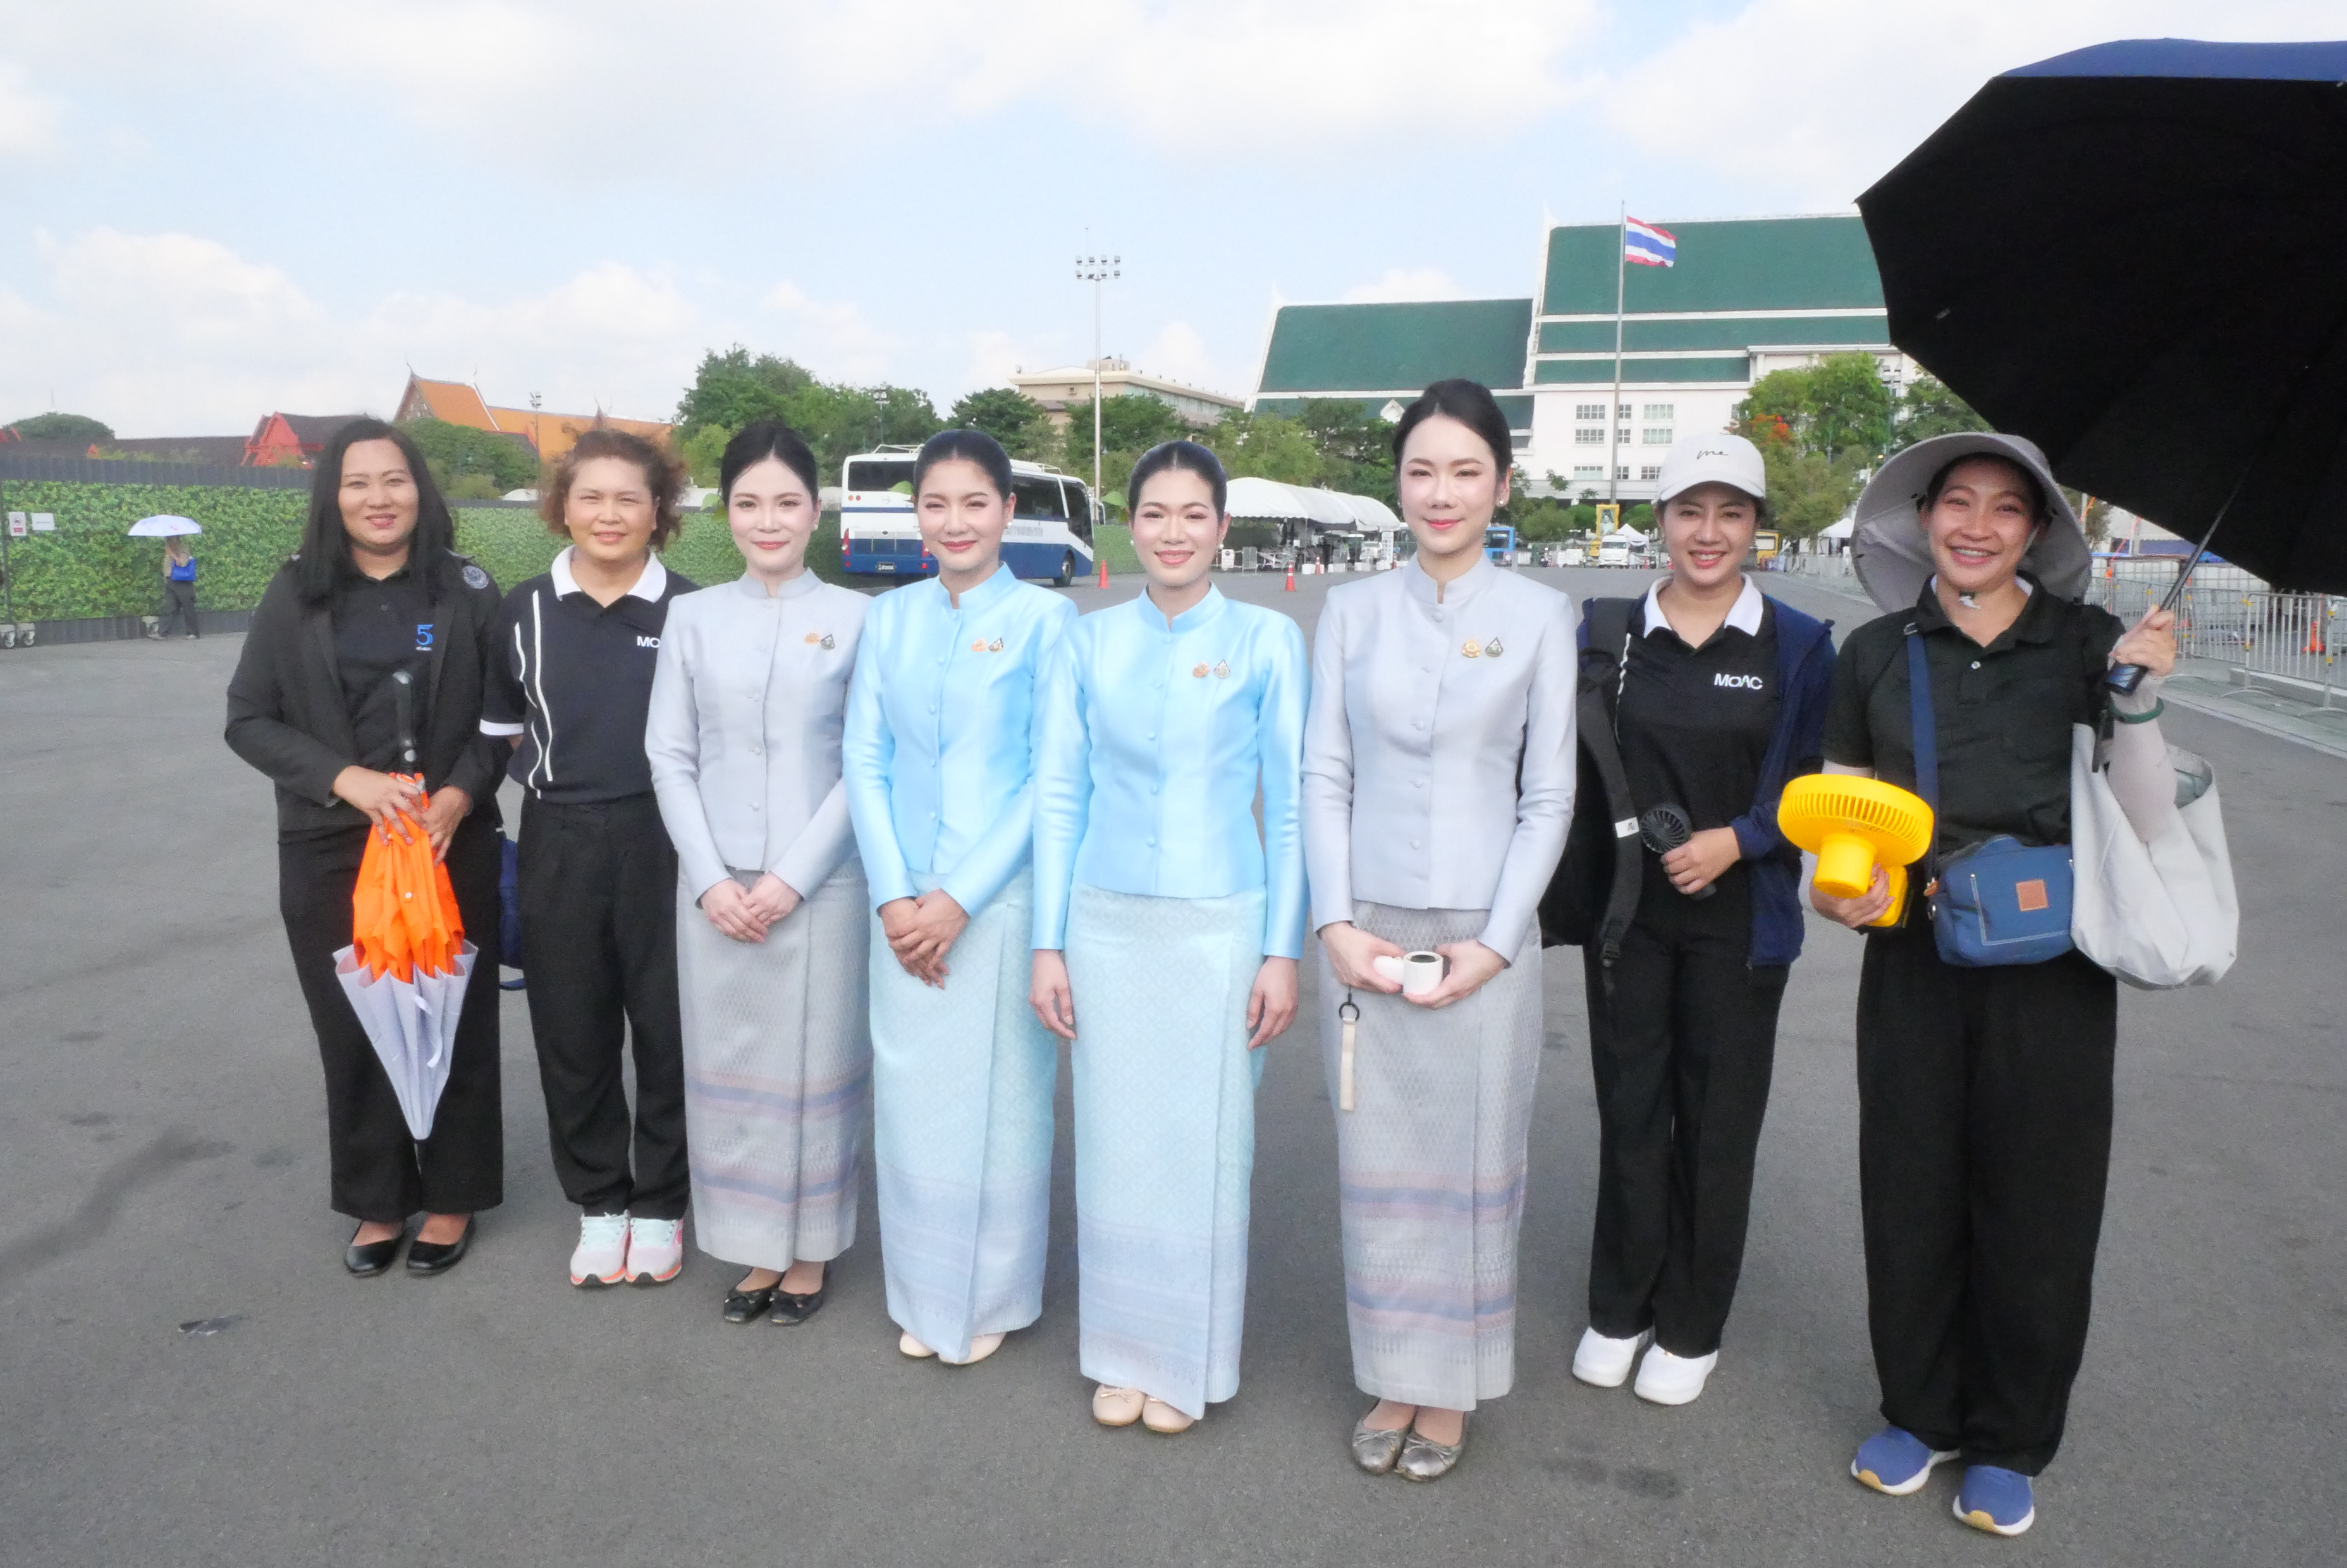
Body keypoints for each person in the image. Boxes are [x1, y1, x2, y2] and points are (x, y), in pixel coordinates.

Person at [1813, 432, 2179, 1538]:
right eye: (1955, 504)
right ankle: (1917, 1415)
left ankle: (2012, 1437)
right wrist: (1841, 893)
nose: (1976, 527)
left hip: (2055, 969)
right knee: (1909, 1189)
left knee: (2040, 1207)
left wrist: (2143, 703)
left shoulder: (2088, 642)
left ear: (2038, 531)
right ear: (1921, 518)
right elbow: (1839, 809)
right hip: (1912, 959)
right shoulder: (1874, 652)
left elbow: (2146, 818)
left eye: (2005, 510)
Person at [1302, 379, 1577, 1480]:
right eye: (1421, 470)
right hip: (1364, 934)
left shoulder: (1539, 616)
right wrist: (1330, 920)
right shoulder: (1352, 612)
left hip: (1481, 938)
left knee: (1471, 1169)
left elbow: (1546, 797)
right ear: (1398, 484)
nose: (1441, 492)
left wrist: (1498, 940)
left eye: (1466, 471)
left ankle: (1452, 1387)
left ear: (1500, 485)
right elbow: (1324, 773)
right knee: (1377, 1166)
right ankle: (1394, 1373)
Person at [1029, 440, 1308, 1435]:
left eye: (1195, 514)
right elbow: (1061, 795)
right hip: (1102, 922)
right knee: (1113, 1141)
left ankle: (1186, 1357)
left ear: (1223, 527)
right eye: (1155, 513)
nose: (1175, 532)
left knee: (1205, 1143)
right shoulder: (1087, 640)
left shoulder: (1270, 640)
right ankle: (1122, 1350)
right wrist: (1047, 943)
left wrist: (1283, 950)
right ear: (1130, 524)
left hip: (1220, 926)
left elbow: (1289, 812)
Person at [1555, 433, 1835, 1407]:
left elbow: (1812, 784)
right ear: (1660, 521)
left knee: (1716, 1125)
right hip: (1629, 919)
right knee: (1631, 1111)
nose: (1708, 533)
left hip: (1739, 923)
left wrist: (1742, 838)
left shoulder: (1799, 643)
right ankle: (1620, 1303)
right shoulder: (1609, 631)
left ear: (1758, 525)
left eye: (1731, 513)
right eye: (1689, 511)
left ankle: (1691, 1322)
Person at [225, 418, 505, 1277]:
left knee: (452, 1019)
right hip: (332, 849)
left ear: (420, 489)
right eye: (357, 484)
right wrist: (345, 779)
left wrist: (461, 791)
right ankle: (378, 1200)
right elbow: (248, 719)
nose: (378, 499)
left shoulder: (467, 589)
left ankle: (453, 1194)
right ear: (332, 498)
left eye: (394, 480)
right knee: (354, 1025)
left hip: (448, 842)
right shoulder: (296, 592)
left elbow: (507, 718)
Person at [842, 427, 1075, 1366]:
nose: (954, 522)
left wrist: (960, 899)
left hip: (1000, 902)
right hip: (899, 906)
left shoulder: (1048, 623)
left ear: (1008, 511)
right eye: (934, 503)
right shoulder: (889, 618)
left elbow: (1051, 778)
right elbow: (865, 756)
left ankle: (994, 1297)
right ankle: (926, 1292)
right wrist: (897, 898)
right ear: (917, 515)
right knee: (914, 1104)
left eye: (974, 502)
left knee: (1001, 1103)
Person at [646, 421, 871, 1326]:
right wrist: (708, 879)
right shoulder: (693, 619)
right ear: (724, 513)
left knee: (817, 1072)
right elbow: (669, 755)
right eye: (748, 503)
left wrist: (793, 878)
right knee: (731, 1068)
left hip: (822, 889)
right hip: (715, 889)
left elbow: (871, 762)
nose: (767, 521)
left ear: (817, 512)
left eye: (786, 503)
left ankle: (810, 1252)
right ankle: (752, 1248)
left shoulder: (862, 619)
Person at [482, 426, 698, 1289]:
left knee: (668, 1028)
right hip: (558, 838)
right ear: (562, 507)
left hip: (667, 841)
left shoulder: (695, 610)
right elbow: (496, 738)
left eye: (629, 499)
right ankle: (600, 1201)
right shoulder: (520, 613)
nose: (608, 514)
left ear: (658, 513)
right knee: (572, 1029)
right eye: (590, 496)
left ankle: (661, 1207)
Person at [158, 537, 200, 639]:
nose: (168, 542)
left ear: (176, 541)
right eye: (168, 540)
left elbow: (183, 563)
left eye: (170, 540)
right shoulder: (169, 551)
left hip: (183, 583)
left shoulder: (183, 550)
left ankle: (193, 633)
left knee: (188, 608)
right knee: (170, 607)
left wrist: (172, 554)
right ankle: (162, 633)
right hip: (171, 582)